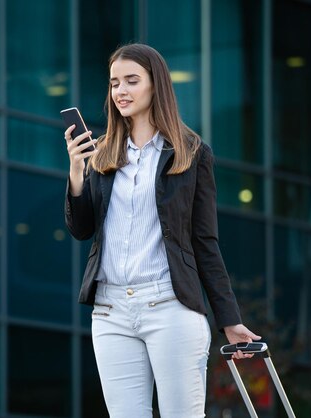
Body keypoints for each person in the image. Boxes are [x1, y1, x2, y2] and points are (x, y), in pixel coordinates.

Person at [63, 43, 260, 418]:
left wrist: (229, 318)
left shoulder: (191, 153)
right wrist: (76, 174)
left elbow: (205, 242)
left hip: (170, 308)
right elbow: (81, 228)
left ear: (157, 85)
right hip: (110, 313)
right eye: (114, 83)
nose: (120, 91)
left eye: (131, 81)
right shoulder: (103, 154)